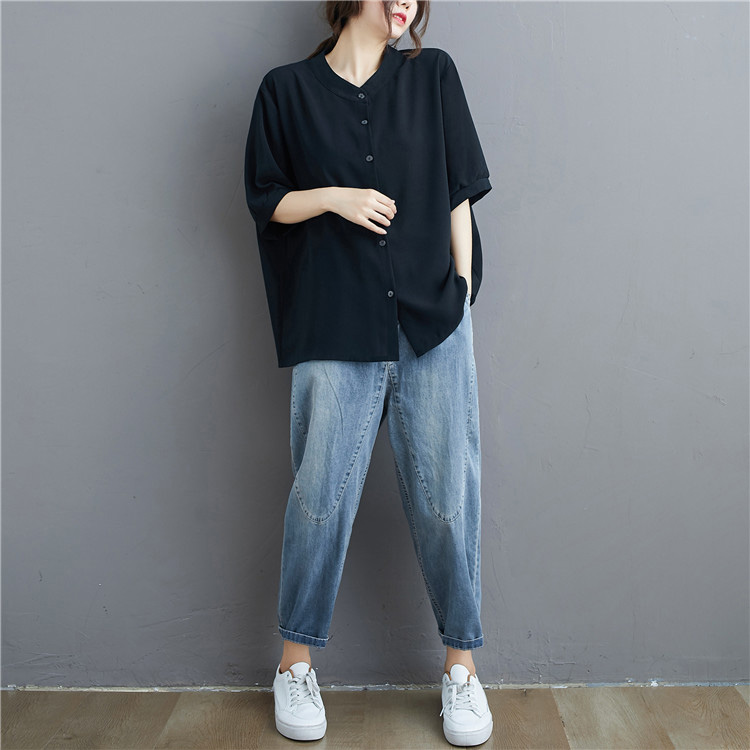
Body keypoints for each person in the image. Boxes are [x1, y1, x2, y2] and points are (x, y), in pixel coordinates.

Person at [244, 0, 493, 745]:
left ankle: (463, 672)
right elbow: (266, 198)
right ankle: (294, 666)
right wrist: (334, 198)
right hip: (335, 322)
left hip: (432, 322)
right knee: (319, 497)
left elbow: (457, 189)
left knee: (448, 500)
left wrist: (462, 290)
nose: (407, 2)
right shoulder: (286, 90)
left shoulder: (433, 75)